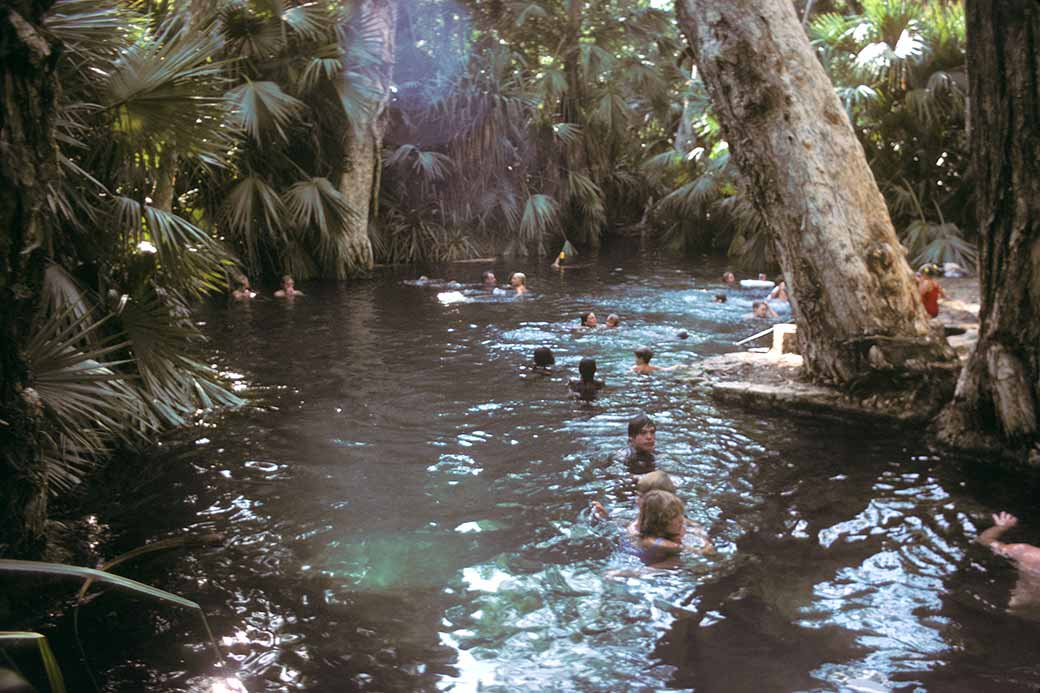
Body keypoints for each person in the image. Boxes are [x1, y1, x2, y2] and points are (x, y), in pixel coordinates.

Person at [977, 511, 1040, 617]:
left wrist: (1002, 527)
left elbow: (984, 540)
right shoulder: (1026, 554)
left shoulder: (1026, 554)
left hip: (1018, 608)